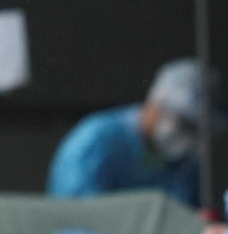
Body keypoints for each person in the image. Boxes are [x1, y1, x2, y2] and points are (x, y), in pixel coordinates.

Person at [49, 59, 213, 207]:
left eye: (194, 130)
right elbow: (74, 211)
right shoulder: (97, 140)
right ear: (155, 103)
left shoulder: (184, 164)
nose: (186, 135)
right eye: (182, 123)